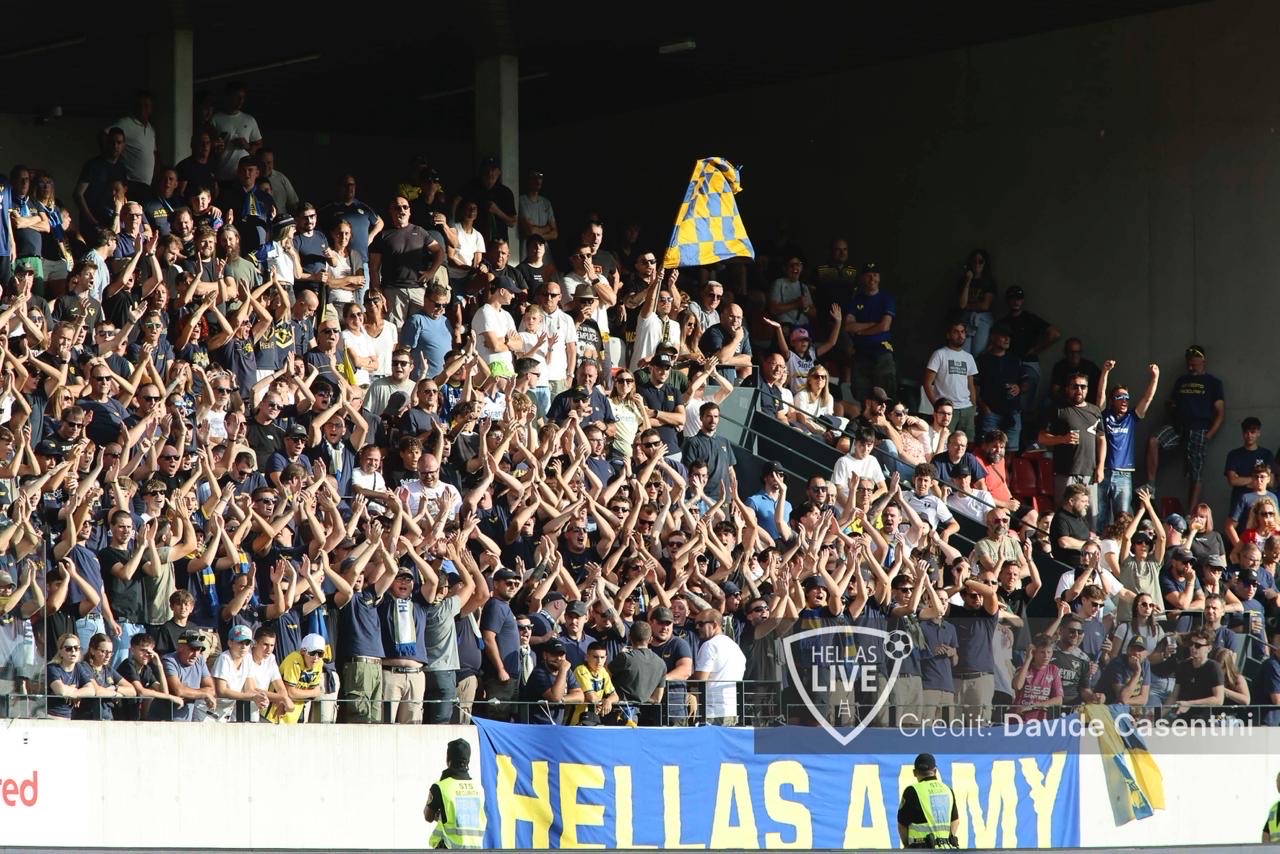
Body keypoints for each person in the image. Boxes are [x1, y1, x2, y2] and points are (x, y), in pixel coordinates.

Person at [1147, 345, 1225, 513]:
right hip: (1178, 426)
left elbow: (1220, 412)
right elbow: (1172, 403)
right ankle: (1151, 486)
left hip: (1199, 429)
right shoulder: (1181, 381)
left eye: (1194, 362)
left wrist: (1209, 435)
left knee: (1195, 472)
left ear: (1202, 360)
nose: (1191, 365)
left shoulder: (1213, 383)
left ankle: (1190, 514)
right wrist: (1171, 409)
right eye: (1189, 362)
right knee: (1154, 440)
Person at [424, 738, 486, 849]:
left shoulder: (440, 787)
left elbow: (428, 816)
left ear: (448, 759)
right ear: (468, 761)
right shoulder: (479, 788)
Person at [896, 752, 959, 849]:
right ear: (935, 771)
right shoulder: (947, 790)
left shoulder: (911, 792)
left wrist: (907, 846)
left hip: (920, 849)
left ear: (914, 772)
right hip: (946, 849)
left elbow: (902, 825)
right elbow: (955, 821)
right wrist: (946, 840)